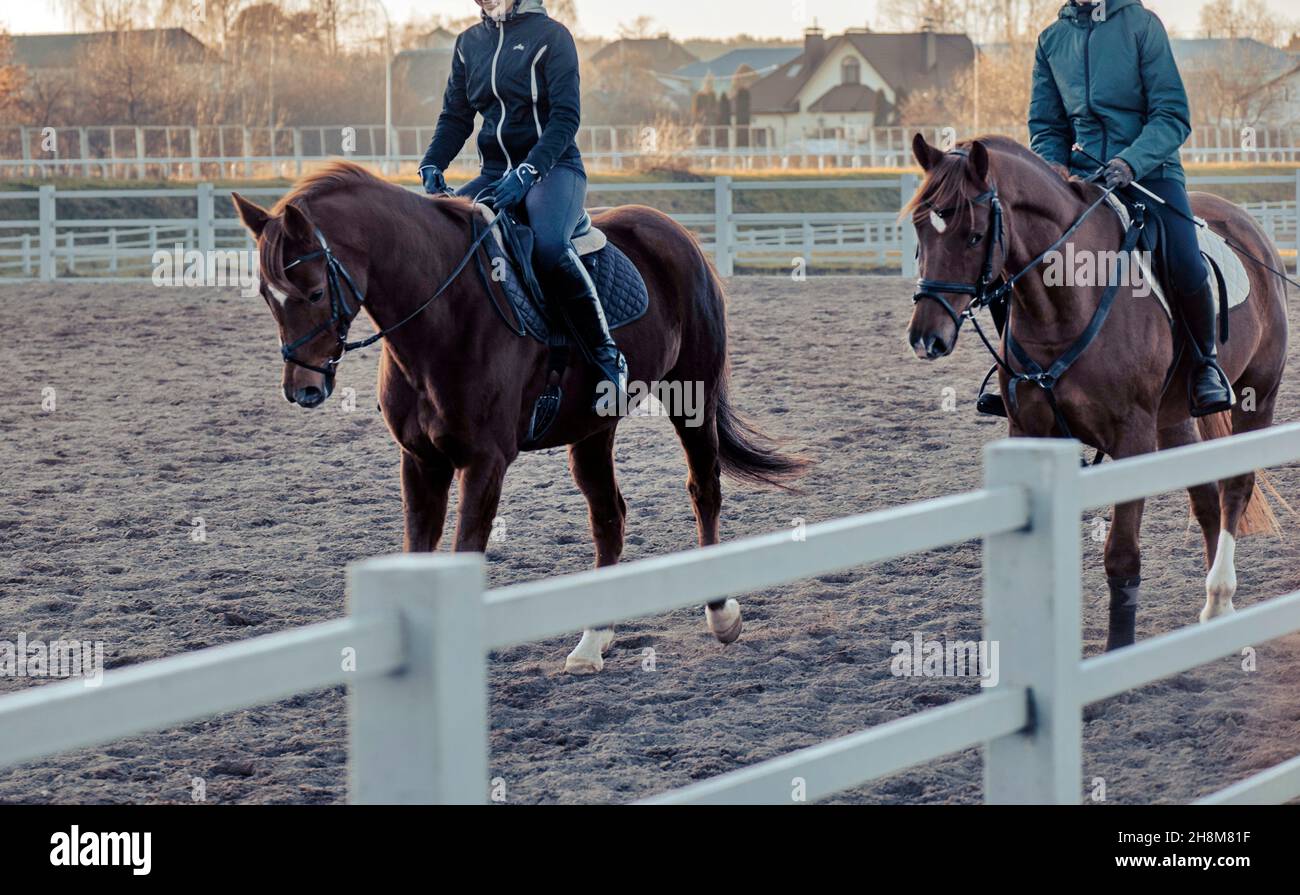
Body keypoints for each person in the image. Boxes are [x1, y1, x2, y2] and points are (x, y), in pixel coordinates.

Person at [1007, 0, 1233, 418]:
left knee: (1184, 260)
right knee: (1018, 252)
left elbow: (1172, 115)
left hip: (1151, 171)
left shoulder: (1142, 26)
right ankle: (1017, 369)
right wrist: (1054, 164)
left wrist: (1132, 162)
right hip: (1083, 178)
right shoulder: (1051, 40)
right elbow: (1046, 124)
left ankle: (1206, 364)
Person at [417, 0, 627, 411]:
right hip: (494, 173)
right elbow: (455, 117)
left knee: (548, 246)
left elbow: (565, 120)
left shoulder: (553, 38)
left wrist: (527, 174)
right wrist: (431, 163)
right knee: (443, 242)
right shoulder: (468, 43)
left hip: (554, 169)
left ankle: (606, 353)